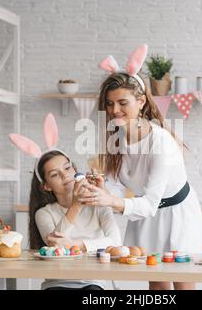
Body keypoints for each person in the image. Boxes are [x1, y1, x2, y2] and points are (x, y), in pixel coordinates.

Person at [79, 44, 202, 290]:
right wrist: (102, 189)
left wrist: (108, 200)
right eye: (109, 103)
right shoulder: (116, 139)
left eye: (122, 102)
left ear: (141, 102)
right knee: (157, 286)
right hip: (147, 215)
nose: (114, 110)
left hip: (176, 214)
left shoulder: (160, 142)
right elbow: (116, 190)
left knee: (183, 283)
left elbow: (148, 203)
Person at [9, 113, 121, 290]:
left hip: (92, 283)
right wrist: (76, 205)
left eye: (67, 168)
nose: (65, 175)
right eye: (54, 174)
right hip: (57, 284)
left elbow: (115, 241)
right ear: (46, 186)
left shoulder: (98, 205)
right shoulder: (44, 213)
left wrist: (77, 245)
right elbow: (54, 244)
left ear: (75, 170)